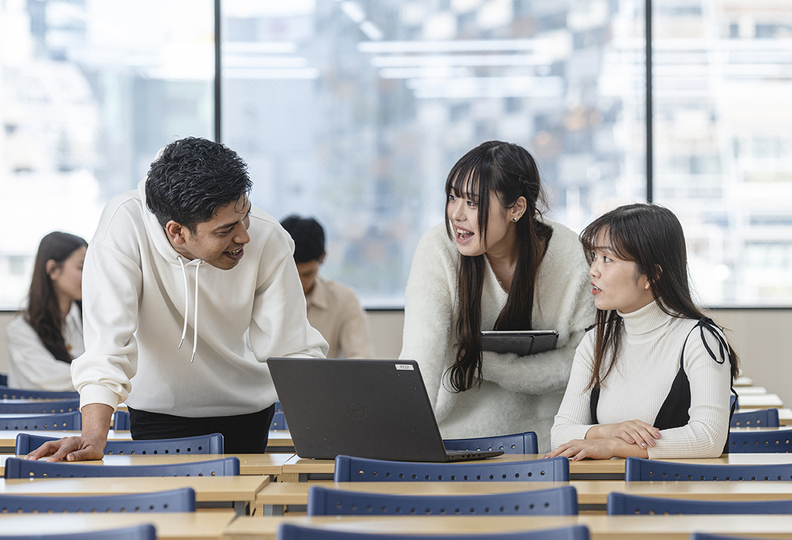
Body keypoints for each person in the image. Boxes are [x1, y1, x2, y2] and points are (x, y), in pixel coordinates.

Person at [28, 137, 328, 461]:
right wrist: (93, 435)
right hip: (157, 412)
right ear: (177, 232)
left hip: (247, 411)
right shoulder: (124, 226)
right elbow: (107, 346)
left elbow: (293, 348)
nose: (244, 236)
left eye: (246, 215)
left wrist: (327, 439)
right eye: (225, 230)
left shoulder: (268, 237)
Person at [399, 140, 595, 453]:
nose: (456, 214)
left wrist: (488, 365)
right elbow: (421, 355)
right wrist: (400, 443)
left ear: (517, 208)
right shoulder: (438, 247)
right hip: (452, 441)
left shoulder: (571, 256)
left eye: (472, 202)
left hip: (547, 443)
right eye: (452, 197)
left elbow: (583, 360)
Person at [546, 203, 738, 461]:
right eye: (594, 257)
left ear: (652, 275)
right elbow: (559, 435)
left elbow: (708, 439)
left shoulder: (699, 340)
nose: (593, 270)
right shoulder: (595, 341)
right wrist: (609, 430)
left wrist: (613, 446)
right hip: (604, 485)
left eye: (607, 259)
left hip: (676, 486)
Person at [280, 215, 374, 359]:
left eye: (307, 274)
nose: (298, 283)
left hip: (324, 375)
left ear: (323, 257)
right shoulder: (258, 297)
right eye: (291, 274)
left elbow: (362, 358)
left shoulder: (344, 299)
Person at [6, 232, 87, 391]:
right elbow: (54, 378)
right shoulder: (20, 330)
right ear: (53, 269)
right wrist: (102, 373)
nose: (89, 276)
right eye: (81, 267)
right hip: (44, 407)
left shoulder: (85, 318)